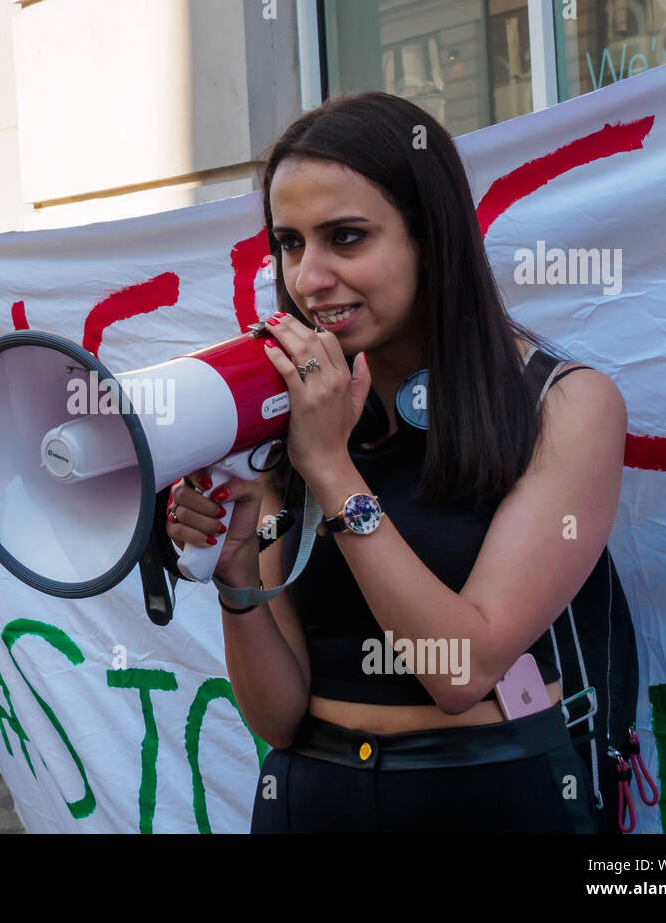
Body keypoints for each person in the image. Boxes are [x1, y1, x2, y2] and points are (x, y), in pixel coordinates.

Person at [166, 93, 627, 833]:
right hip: (312, 792)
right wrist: (237, 575)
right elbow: (278, 716)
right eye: (289, 242)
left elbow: (461, 670)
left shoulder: (565, 407)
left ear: (431, 239)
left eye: (345, 238)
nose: (307, 277)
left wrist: (332, 471)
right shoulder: (296, 415)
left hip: (488, 793)